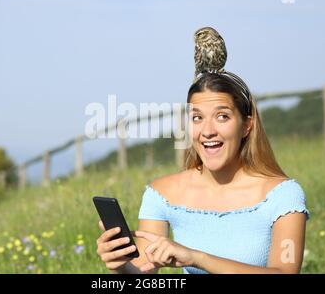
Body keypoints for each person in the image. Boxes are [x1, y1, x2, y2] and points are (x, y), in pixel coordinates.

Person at [96, 27, 309, 274]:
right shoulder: (161, 194)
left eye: (222, 116)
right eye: (197, 117)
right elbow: (143, 275)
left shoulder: (283, 196)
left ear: (246, 125)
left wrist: (196, 258)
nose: (207, 130)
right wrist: (121, 266)